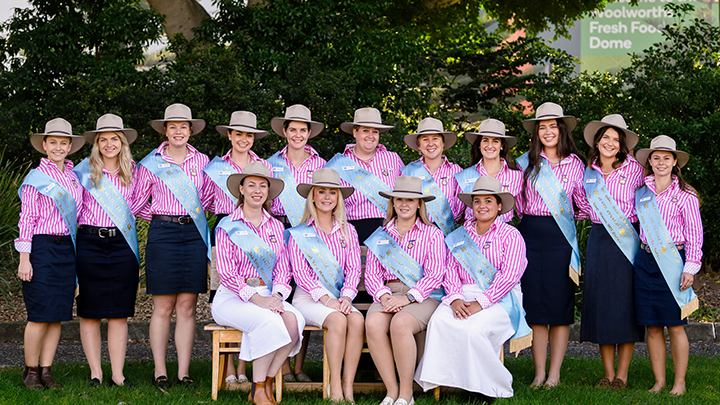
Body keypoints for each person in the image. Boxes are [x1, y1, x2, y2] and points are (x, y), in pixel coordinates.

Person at [415, 176, 531, 402]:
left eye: (489, 201)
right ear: (471, 205)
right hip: (461, 294)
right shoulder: (458, 237)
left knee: (473, 330)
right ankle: (444, 382)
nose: (482, 206)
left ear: (499, 205)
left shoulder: (511, 235)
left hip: (500, 298)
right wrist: (456, 299)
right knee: (440, 322)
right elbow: (449, 271)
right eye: (477, 201)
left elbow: (509, 276)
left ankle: (488, 387)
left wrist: (482, 303)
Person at [211, 162, 305, 405]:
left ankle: (266, 382)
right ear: (241, 189)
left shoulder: (276, 225)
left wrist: (278, 296)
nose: (257, 190)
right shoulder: (226, 225)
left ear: (268, 191)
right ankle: (259, 388)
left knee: (293, 322)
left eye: (263, 185)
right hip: (232, 297)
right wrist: (259, 300)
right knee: (268, 320)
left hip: (268, 292)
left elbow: (284, 267)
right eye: (251, 184)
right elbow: (227, 272)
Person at [134, 103, 213, 388]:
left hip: (193, 235)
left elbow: (209, 200)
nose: (178, 131)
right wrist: (162, 216)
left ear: (191, 130)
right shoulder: (149, 163)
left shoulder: (204, 162)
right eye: (173, 126)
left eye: (183, 126)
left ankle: (183, 372)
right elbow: (136, 203)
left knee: (188, 306)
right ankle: (159, 371)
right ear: (164, 130)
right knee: (163, 306)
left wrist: (186, 215)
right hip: (163, 234)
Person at [516, 102, 591, 388]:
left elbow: (583, 205)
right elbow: (518, 204)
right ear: (536, 133)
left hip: (561, 237)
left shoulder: (575, 164)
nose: (548, 131)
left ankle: (555, 373)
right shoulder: (525, 163)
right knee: (535, 306)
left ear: (561, 130)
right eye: (542, 127)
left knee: (560, 307)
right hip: (531, 234)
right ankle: (538, 373)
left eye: (553, 126)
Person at [364, 176, 446, 405]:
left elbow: (435, 274)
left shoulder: (433, 234)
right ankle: (391, 391)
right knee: (373, 323)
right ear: (392, 202)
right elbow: (371, 274)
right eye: (399, 199)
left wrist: (408, 297)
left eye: (410, 200)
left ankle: (406, 394)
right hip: (387, 293)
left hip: (422, 296)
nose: (404, 204)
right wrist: (384, 296)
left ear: (419, 203)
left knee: (400, 324)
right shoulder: (381, 235)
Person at [16, 118, 86, 389]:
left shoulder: (73, 177)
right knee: (39, 314)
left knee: (57, 313)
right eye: (53, 142)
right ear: (44, 145)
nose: (58, 147)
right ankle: (30, 371)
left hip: (67, 248)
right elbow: (27, 219)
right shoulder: (36, 178)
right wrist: (25, 257)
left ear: (70, 146)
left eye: (63, 143)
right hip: (41, 248)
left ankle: (46, 370)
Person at [74, 114, 143, 387]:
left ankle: (117, 373)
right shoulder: (82, 171)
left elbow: (138, 206)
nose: (109, 144)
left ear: (122, 142)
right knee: (89, 311)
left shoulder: (134, 171)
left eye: (114, 139)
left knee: (118, 312)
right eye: (103, 140)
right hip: (90, 242)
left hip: (122, 244)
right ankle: (95, 373)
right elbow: (74, 211)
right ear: (97, 143)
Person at [205, 111, 272, 385]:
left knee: (255, 293)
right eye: (239, 133)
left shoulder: (264, 165)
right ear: (229, 135)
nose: (244, 139)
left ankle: (244, 367)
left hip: (258, 227)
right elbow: (206, 201)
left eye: (249, 134)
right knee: (230, 294)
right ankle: (228, 366)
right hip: (227, 227)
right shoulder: (215, 166)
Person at [579, 114, 645, 390]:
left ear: (622, 146)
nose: (609, 142)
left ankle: (623, 376)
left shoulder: (636, 170)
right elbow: (581, 206)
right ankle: (607, 376)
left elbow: (650, 202)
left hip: (627, 241)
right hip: (599, 239)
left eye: (615, 139)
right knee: (603, 307)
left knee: (624, 308)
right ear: (597, 141)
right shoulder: (588, 172)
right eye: (605, 137)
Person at [287, 168, 364, 403]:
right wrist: (327, 300)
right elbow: (301, 274)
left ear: (338, 198)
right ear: (312, 196)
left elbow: (354, 269)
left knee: (358, 319)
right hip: (308, 299)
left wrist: (347, 298)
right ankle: (334, 386)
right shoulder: (300, 233)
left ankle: (348, 385)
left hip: (340, 297)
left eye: (333, 192)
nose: (327, 197)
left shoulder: (348, 230)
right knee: (338, 319)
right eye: (322, 192)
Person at [634, 135, 702, 395]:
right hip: (645, 261)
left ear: (675, 162)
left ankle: (680, 383)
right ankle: (659, 381)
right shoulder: (641, 192)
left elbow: (695, 235)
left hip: (674, 262)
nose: (661, 162)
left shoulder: (686, 195)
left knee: (675, 324)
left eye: (666, 158)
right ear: (649, 161)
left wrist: (690, 267)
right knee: (652, 325)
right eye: (656, 157)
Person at [267, 104, 327, 382]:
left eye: (303, 130)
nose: (298, 134)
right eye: (293, 129)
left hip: (309, 235)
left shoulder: (320, 165)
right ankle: (281, 366)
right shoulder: (270, 164)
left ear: (309, 133)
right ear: (284, 131)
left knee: (303, 293)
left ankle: (299, 367)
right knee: (282, 295)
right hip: (280, 231)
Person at [326, 107, 404, 244]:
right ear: (355, 132)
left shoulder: (393, 159)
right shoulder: (336, 164)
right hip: (350, 233)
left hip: (390, 232)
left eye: (375, 131)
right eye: (365, 130)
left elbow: (406, 195)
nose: (371, 136)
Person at [401, 117, 462, 235]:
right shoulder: (408, 171)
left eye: (435, 138)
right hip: (414, 234)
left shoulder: (457, 172)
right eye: (425, 139)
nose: (430, 144)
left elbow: (460, 209)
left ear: (443, 143)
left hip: (446, 233)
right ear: (419, 145)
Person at [456, 118, 522, 223]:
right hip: (471, 235)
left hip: (503, 236)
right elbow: (457, 216)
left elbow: (522, 212)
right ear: (479, 144)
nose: (489, 146)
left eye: (495, 141)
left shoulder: (517, 177)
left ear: (502, 145)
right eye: (485, 140)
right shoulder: (465, 176)